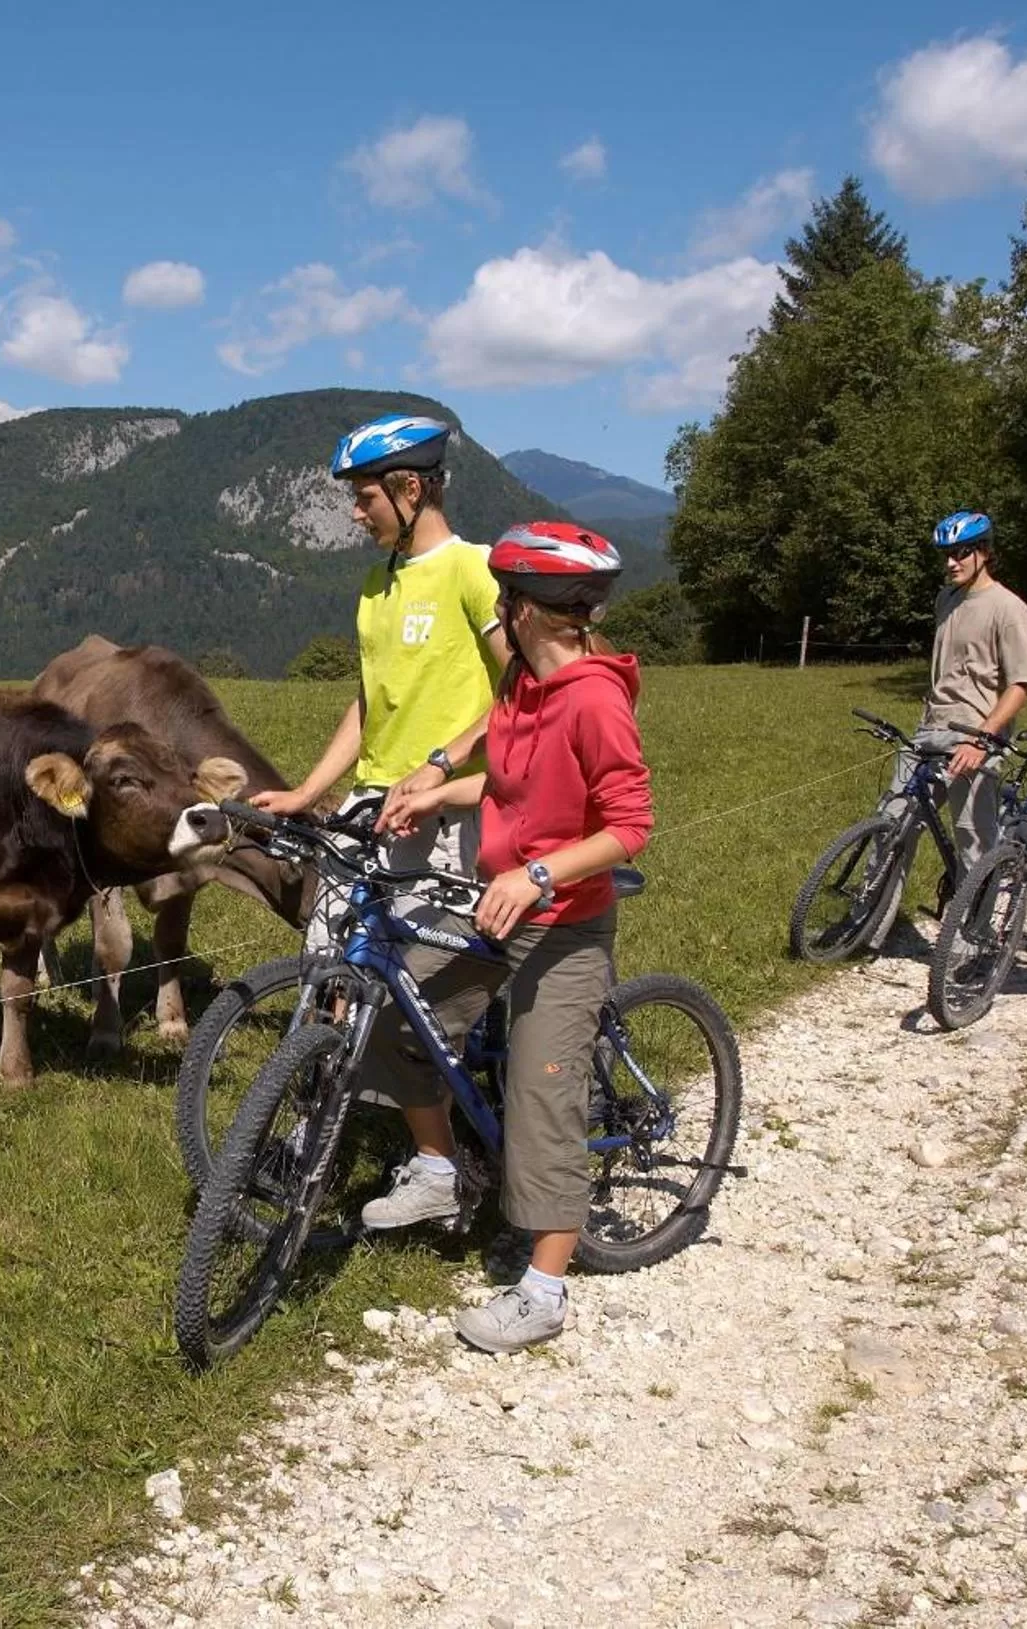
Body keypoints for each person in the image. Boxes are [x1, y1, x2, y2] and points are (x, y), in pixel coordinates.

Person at [360, 523, 653, 1354]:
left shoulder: (593, 697)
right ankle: (440, 1169)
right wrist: (440, 793)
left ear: (525, 609)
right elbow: (513, 777)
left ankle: (543, 1289)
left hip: (562, 918)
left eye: (503, 596)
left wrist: (538, 874)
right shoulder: (524, 686)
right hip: (494, 904)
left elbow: (631, 823)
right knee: (402, 1009)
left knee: (539, 1096)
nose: (498, 607)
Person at [251, 414, 509, 941]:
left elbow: (525, 693)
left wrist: (442, 767)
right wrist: (308, 791)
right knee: (329, 957)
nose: (355, 513)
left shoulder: (473, 570)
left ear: (410, 489)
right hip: (372, 802)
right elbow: (371, 699)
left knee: (418, 986)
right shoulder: (376, 582)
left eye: (365, 497)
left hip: (443, 814)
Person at [896, 512, 1027, 871]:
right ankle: (870, 918)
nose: (950, 562)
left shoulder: (1008, 607)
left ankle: (975, 925)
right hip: (931, 727)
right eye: (946, 553)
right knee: (894, 823)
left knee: (972, 838)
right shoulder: (947, 598)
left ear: (985, 552)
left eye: (960, 553)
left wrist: (980, 741)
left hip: (975, 736)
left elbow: (1021, 686)